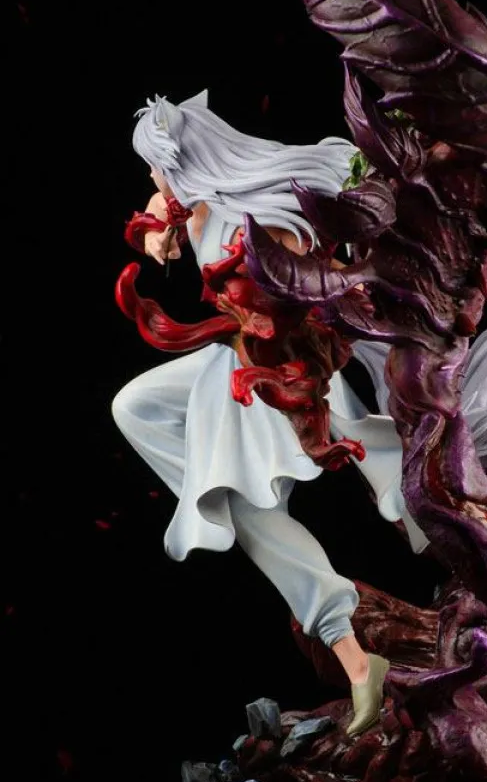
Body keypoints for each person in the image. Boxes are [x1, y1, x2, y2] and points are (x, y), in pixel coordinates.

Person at [112, 89, 428, 736]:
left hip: (272, 377)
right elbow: (160, 225)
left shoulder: (264, 220)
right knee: (135, 406)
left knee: (274, 511)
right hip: (231, 368)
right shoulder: (198, 209)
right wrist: (158, 228)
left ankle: (358, 657)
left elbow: (319, 286)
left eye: (156, 166)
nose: (152, 180)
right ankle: (214, 492)